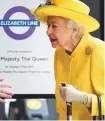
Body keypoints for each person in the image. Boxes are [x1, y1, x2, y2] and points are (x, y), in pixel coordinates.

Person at [30, 0, 104, 120]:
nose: (48, 31)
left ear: (74, 29)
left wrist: (83, 98)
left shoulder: (99, 50)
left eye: (54, 26)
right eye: (48, 26)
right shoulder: (60, 52)